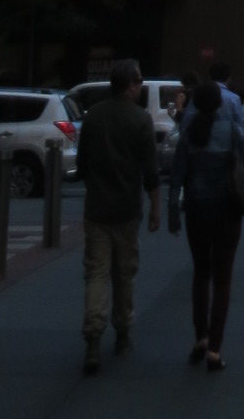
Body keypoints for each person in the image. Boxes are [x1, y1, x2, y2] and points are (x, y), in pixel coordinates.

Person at [169, 77, 244, 371]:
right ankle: (214, 348)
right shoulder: (232, 130)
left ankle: (200, 336)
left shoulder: (189, 132)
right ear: (220, 103)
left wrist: (173, 212)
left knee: (201, 273)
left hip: (196, 210)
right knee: (223, 278)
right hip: (227, 210)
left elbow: (176, 176)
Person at [76, 59, 161, 376]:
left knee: (96, 273)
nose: (141, 86)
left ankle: (93, 337)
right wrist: (155, 208)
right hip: (127, 209)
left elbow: (82, 163)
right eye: (139, 81)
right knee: (124, 273)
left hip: (97, 208)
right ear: (130, 85)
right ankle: (123, 332)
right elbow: (151, 171)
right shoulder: (140, 119)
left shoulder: (94, 116)